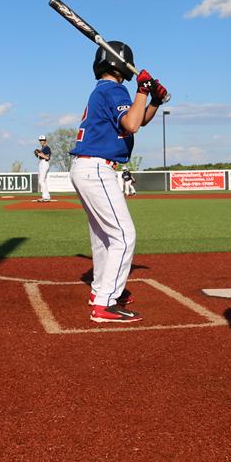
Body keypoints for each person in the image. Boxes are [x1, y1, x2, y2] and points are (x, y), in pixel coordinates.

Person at [70, 40, 167, 324]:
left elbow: (138, 119)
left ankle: (101, 291)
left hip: (89, 167)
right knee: (124, 236)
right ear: (122, 64)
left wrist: (155, 101)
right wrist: (141, 90)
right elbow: (132, 124)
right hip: (97, 168)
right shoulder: (114, 89)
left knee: (104, 238)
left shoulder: (104, 90)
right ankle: (104, 304)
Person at [34, 135, 52, 202]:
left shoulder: (47, 148)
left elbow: (48, 158)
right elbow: (41, 156)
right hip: (41, 163)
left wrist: (40, 154)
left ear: (45, 140)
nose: (41, 141)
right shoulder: (42, 149)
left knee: (41, 180)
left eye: (42, 140)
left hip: (45, 163)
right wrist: (39, 155)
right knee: (43, 180)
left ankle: (45, 196)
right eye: (40, 140)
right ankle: (47, 196)